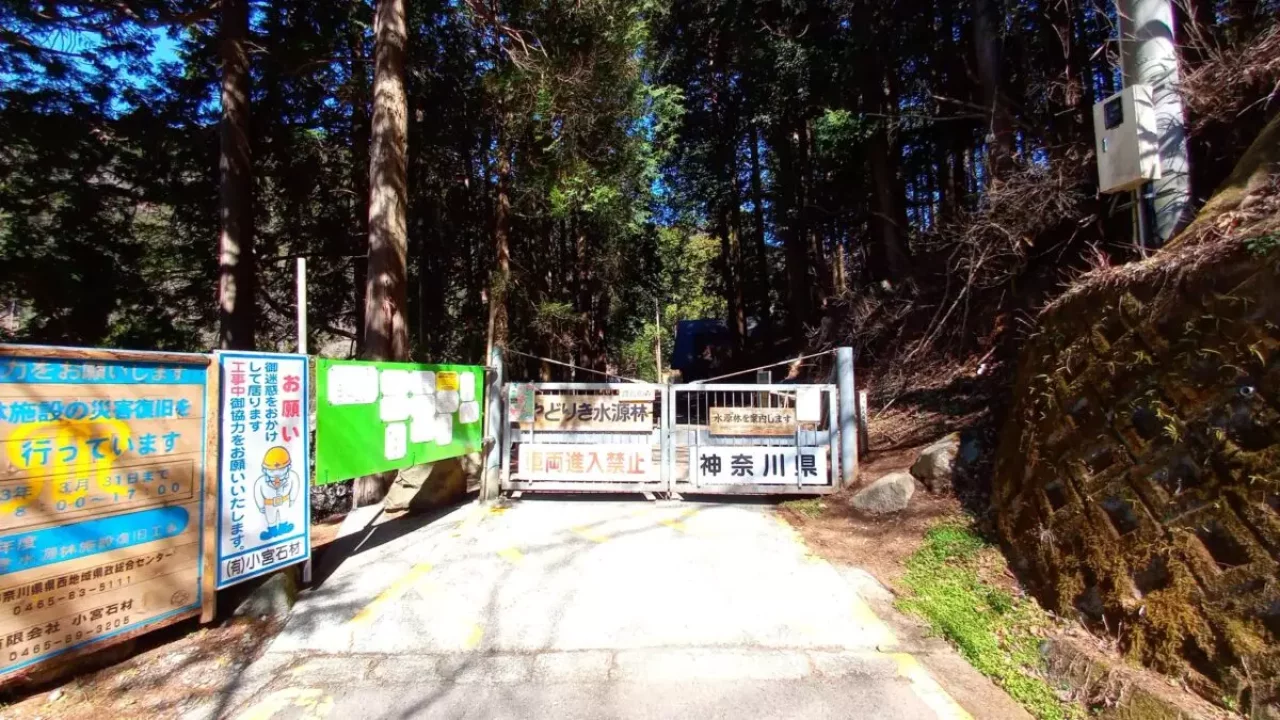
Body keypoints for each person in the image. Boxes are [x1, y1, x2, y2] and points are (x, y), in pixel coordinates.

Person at [255, 446, 299, 540]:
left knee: (284, 515)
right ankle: (272, 531)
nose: (276, 473)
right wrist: (260, 506)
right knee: (271, 518)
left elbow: (295, 485)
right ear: (264, 470)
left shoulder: (291, 477)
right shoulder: (262, 481)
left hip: (284, 500)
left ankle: (284, 527)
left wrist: (292, 498)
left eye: (281, 469)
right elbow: (257, 492)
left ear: (288, 467)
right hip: (269, 503)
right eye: (271, 470)